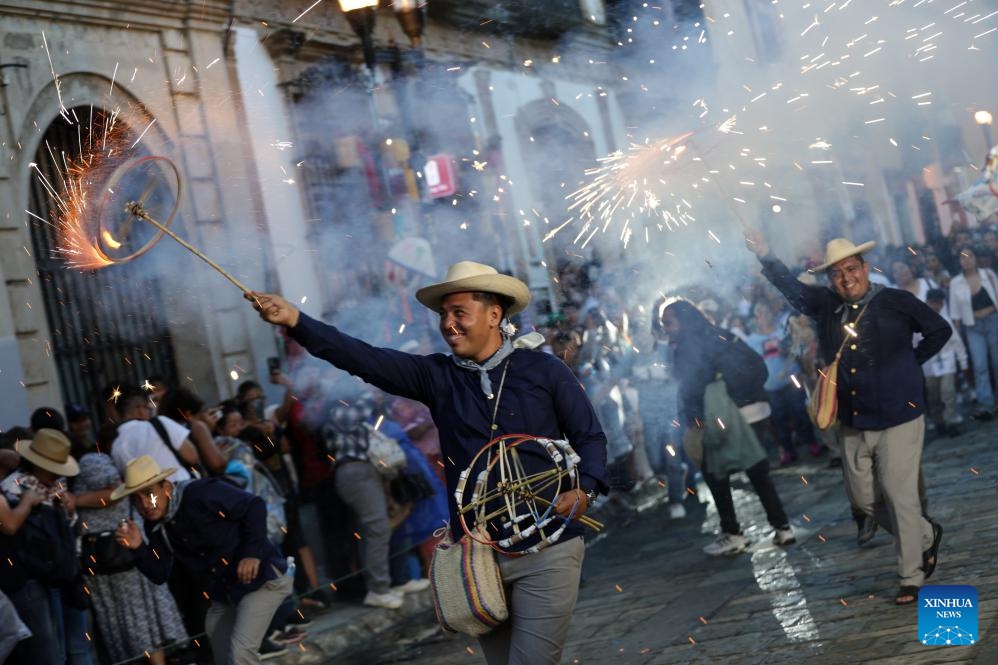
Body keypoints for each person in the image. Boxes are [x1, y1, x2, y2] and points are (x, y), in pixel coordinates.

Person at [249, 260, 608, 665]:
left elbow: (590, 436)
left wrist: (586, 488)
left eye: (459, 313)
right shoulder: (437, 376)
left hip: (548, 546)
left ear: (494, 314)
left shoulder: (544, 370)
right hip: (479, 556)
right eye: (444, 315)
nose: (448, 324)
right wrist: (296, 320)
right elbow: (361, 358)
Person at [745, 231, 950, 605]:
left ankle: (911, 577)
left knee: (899, 495)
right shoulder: (824, 305)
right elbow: (791, 288)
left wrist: (910, 364)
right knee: (864, 499)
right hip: (853, 419)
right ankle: (924, 535)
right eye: (837, 273)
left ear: (865, 269)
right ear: (830, 278)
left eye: (852, 269)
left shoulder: (896, 301)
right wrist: (765, 254)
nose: (846, 278)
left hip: (900, 415)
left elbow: (940, 330)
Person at [114, 455, 293, 665]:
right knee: (218, 657)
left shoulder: (201, 492)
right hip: (226, 593)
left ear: (167, 489)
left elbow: (254, 505)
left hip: (263, 578)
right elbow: (159, 573)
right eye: (136, 499)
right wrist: (139, 548)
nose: (145, 504)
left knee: (240, 654)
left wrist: (251, 554)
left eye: (149, 494)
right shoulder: (155, 523)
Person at [660, 299, 795, 555]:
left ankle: (732, 533)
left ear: (683, 320)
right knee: (757, 470)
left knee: (714, 472)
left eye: (668, 322)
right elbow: (758, 364)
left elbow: (692, 388)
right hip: (755, 409)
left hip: (725, 414)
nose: (665, 329)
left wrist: (696, 423)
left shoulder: (688, 346)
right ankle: (782, 527)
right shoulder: (721, 334)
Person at [947, 245, 998, 420]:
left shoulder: (988, 275)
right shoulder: (955, 283)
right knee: (980, 364)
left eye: (969, 256)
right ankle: (986, 403)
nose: (966, 260)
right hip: (972, 326)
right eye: (962, 257)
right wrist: (958, 334)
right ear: (959, 261)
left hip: (993, 321)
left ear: (975, 258)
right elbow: (955, 312)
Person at [922, 288, 969, 437]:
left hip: (947, 363)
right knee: (933, 395)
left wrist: (963, 362)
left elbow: (957, 343)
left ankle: (952, 422)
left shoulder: (946, 320)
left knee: (948, 393)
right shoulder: (918, 320)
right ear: (928, 302)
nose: (937, 306)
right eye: (934, 303)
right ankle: (938, 422)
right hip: (929, 365)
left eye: (939, 303)